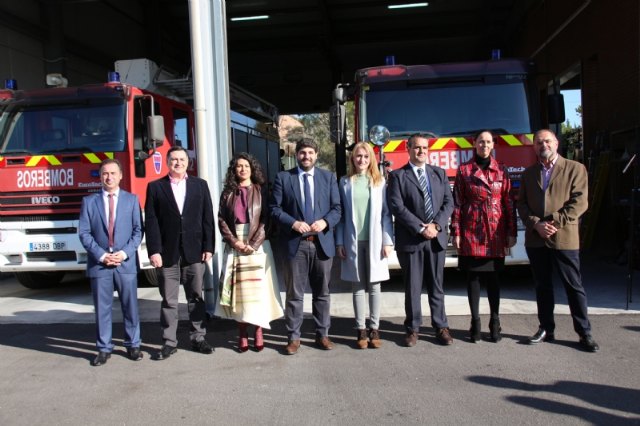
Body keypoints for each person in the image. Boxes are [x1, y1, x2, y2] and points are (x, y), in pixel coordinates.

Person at [518, 129, 599, 352]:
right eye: (538, 142)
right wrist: (536, 224)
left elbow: (580, 202)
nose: (543, 145)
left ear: (557, 143)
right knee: (542, 286)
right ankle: (546, 329)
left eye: (547, 141)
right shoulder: (528, 173)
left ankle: (584, 332)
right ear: (534, 147)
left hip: (564, 238)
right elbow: (521, 204)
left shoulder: (575, 168)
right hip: (536, 239)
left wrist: (553, 222)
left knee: (573, 286)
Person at [270, 139, 341, 355]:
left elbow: (337, 208)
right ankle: (293, 338)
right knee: (294, 295)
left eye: (310, 152)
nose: (306, 156)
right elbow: (274, 208)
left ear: (316, 155)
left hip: (321, 244)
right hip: (295, 245)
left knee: (322, 293)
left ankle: (322, 334)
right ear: (296, 155)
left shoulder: (328, 178)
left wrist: (325, 222)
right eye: (302, 152)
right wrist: (293, 223)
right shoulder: (283, 178)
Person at [145, 146, 215, 360]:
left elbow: (207, 219)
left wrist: (208, 246)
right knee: (169, 300)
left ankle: (198, 338)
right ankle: (169, 342)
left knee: (196, 297)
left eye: (182, 159)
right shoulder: (156, 187)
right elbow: (151, 222)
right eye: (174, 159)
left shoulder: (200, 186)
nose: (178, 162)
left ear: (188, 162)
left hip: (194, 252)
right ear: (167, 162)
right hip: (167, 253)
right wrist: (154, 250)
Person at [387, 133, 454, 347]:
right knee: (413, 287)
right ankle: (413, 329)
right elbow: (397, 206)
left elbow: (448, 202)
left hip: (436, 239)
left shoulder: (439, 173)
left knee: (437, 285)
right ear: (408, 149)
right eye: (417, 147)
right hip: (411, 240)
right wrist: (419, 227)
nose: (421, 151)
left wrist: (435, 225)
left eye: (425, 148)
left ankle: (441, 326)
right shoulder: (397, 176)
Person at [450, 130, 516, 343]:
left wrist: (511, 232)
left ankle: (495, 321)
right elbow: (458, 204)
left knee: (494, 279)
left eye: (488, 142)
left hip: (495, 231)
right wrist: (456, 232)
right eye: (481, 142)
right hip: (472, 230)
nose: (484, 145)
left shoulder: (502, 171)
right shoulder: (464, 170)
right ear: (474, 144)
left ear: (493, 145)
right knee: (473, 278)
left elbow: (509, 204)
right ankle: (475, 321)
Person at [215, 153, 284, 352]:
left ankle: (259, 330)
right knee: (241, 293)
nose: (243, 169)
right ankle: (242, 332)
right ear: (234, 170)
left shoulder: (261, 191)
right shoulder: (228, 192)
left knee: (258, 292)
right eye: (239, 166)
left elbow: (267, 219)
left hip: (258, 244)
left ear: (252, 169)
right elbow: (221, 219)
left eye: (246, 166)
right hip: (235, 243)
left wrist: (253, 243)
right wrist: (235, 242)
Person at [78, 159, 143, 366]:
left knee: (130, 306)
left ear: (121, 175)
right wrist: (102, 255)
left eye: (113, 173)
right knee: (102, 308)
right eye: (105, 173)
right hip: (100, 264)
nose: (109, 177)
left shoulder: (132, 200)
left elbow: (138, 231)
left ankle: (133, 344)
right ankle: (104, 348)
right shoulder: (89, 202)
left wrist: (124, 253)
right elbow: (84, 233)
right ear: (100, 176)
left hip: (125, 263)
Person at [336, 142, 394, 349]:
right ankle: (361, 329)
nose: (361, 160)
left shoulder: (379, 182)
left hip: (375, 241)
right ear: (352, 159)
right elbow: (341, 215)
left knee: (375, 286)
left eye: (366, 157)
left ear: (371, 159)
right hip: (353, 241)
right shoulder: (344, 182)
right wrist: (339, 241)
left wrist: (388, 240)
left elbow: (387, 214)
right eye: (358, 156)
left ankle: (374, 328)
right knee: (357, 286)